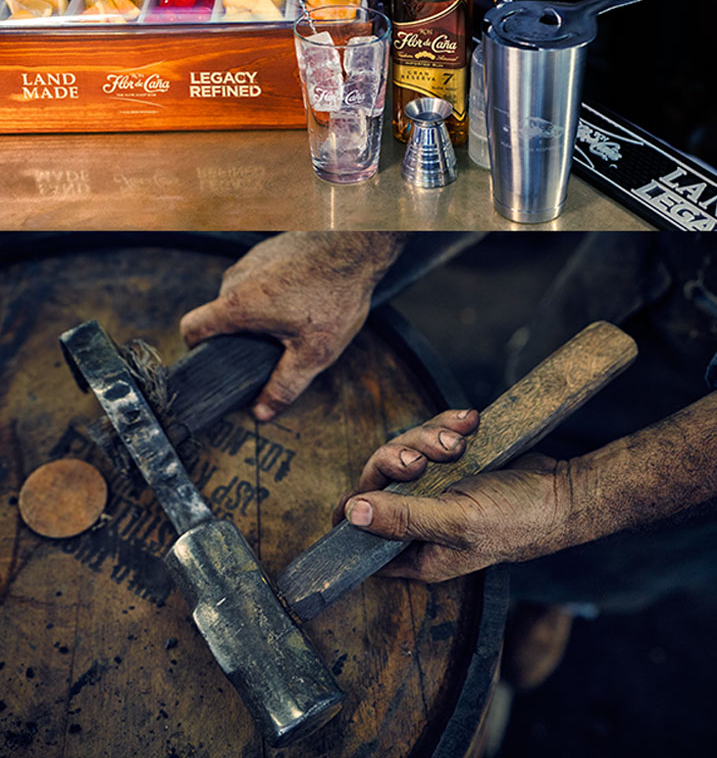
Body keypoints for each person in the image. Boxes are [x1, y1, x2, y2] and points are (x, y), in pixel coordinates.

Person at [179, 229, 717, 678]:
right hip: (671, 231)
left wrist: (571, 499)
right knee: (546, 361)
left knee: (628, 547)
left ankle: (565, 595)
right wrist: (354, 246)